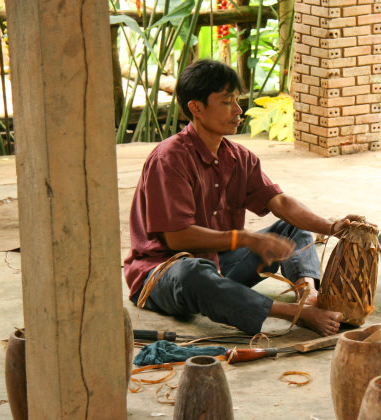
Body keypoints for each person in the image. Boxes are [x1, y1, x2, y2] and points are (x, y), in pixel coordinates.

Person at [124, 59, 366, 337]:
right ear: (196, 108)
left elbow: (281, 203)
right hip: (163, 275)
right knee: (193, 272)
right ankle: (295, 314)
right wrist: (246, 238)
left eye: (237, 101)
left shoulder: (239, 157)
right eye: (227, 102)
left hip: (218, 265)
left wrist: (331, 227)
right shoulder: (169, 159)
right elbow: (178, 239)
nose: (238, 111)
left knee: (291, 228)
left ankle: (307, 293)